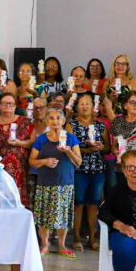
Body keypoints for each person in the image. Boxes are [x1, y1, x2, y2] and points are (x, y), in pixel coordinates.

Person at [30, 106, 82, 257]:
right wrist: (44, 161)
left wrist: (68, 151)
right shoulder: (41, 139)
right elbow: (32, 161)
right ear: (47, 121)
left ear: (63, 121)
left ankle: (61, 245)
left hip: (65, 183)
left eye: (58, 118)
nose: (55, 121)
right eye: (51, 118)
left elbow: (78, 162)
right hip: (45, 183)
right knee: (43, 216)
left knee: (63, 216)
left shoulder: (70, 138)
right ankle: (44, 244)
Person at [69, 93, 109, 250]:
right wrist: (87, 150)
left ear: (93, 107)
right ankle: (76, 237)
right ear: (77, 107)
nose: (85, 106)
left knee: (93, 204)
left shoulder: (101, 125)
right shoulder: (71, 125)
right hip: (78, 169)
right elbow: (69, 148)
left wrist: (100, 147)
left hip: (97, 169)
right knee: (78, 203)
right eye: (81, 103)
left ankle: (93, 238)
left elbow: (107, 148)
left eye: (88, 103)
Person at [0, 93, 34, 206]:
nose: (8, 106)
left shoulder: (25, 122)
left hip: (21, 170)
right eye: (5, 103)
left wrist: (20, 143)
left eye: (11, 104)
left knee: (20, 204)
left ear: (15, 106)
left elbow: (32, 143)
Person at [109, 91, 136, 188]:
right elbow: (114, 146)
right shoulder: (118, 121)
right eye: (132, 102)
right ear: (125, 106)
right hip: (122, 166)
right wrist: (118, 153)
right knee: (123, 193)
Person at [26, 97, 49, 206]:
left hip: (49, 171)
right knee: (31, 201)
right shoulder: (27, 125)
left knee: (46, 203)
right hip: (32, 170)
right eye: (36, 108)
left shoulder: (53, 124)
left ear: (46, 108)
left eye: (41, 107)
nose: (39, 110)